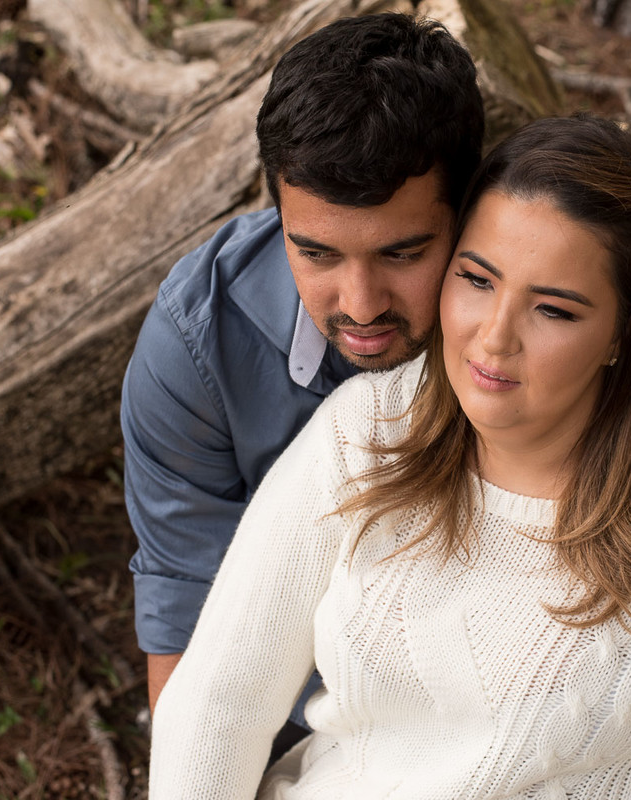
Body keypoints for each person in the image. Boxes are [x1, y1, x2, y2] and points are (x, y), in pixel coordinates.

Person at [149, 114, 631, 798]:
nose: (494, 337)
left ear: (624, 330)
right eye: (477, 279)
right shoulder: (365, 433)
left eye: (553, 309)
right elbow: (220, 698)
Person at [119, 11, 484, 754]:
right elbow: (188, 604)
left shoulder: (536, 326)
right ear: (277, 212)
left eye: (402, 253)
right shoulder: (197, 344)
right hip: (292, 721)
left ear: (466, 211)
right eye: (316, 253)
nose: (361, 306)